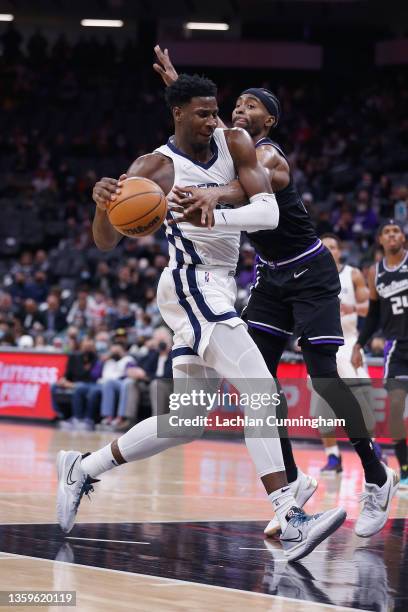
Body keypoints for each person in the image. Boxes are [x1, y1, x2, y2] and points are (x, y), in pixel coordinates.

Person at [56, 74, 346, 563]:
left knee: (185, 420)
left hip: (219, 287)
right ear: (178, 115)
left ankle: (83, 467)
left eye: (217, 111)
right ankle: (289, 515)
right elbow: (107, 240)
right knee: (261, 390)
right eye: (204, 113)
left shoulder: (234, 143)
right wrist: (104, 206)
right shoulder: (156, 167)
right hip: (191, 284)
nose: (216, 119)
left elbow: (269, 214)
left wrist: (214, 202)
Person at [152, 47, 397, 538]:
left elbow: (251, 192)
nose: (239, 108)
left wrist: (212, 197)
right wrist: (179, 89)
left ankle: (376, 476)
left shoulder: (267, 155)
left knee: (325, 379)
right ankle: (291, 491)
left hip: (311, 272)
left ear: (272, 120)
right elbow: (206, 122)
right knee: (257, 390)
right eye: (235, 103)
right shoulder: (230, 144)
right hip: (270, 276)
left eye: (251, 104)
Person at [312, 234, 383, 473]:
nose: (329, 250)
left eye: (333, 247)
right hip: (321, 346)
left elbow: (372, 309)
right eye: (325, 247)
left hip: (348, 343)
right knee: (321, 410)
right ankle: (333, 458)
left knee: (362, 403)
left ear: (340, 251)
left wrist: (353, 307)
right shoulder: (310, 275)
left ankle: (373, 449)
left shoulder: (351, 274)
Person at [352, 220, 408, 489]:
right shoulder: (375, 273)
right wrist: (358, 344)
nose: (392, 234)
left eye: (396, 231)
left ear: (403, 238)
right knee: (396, 408)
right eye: (387, 232)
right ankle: (406, 468)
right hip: (397, 347)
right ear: (380, 240)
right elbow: (373, 316)